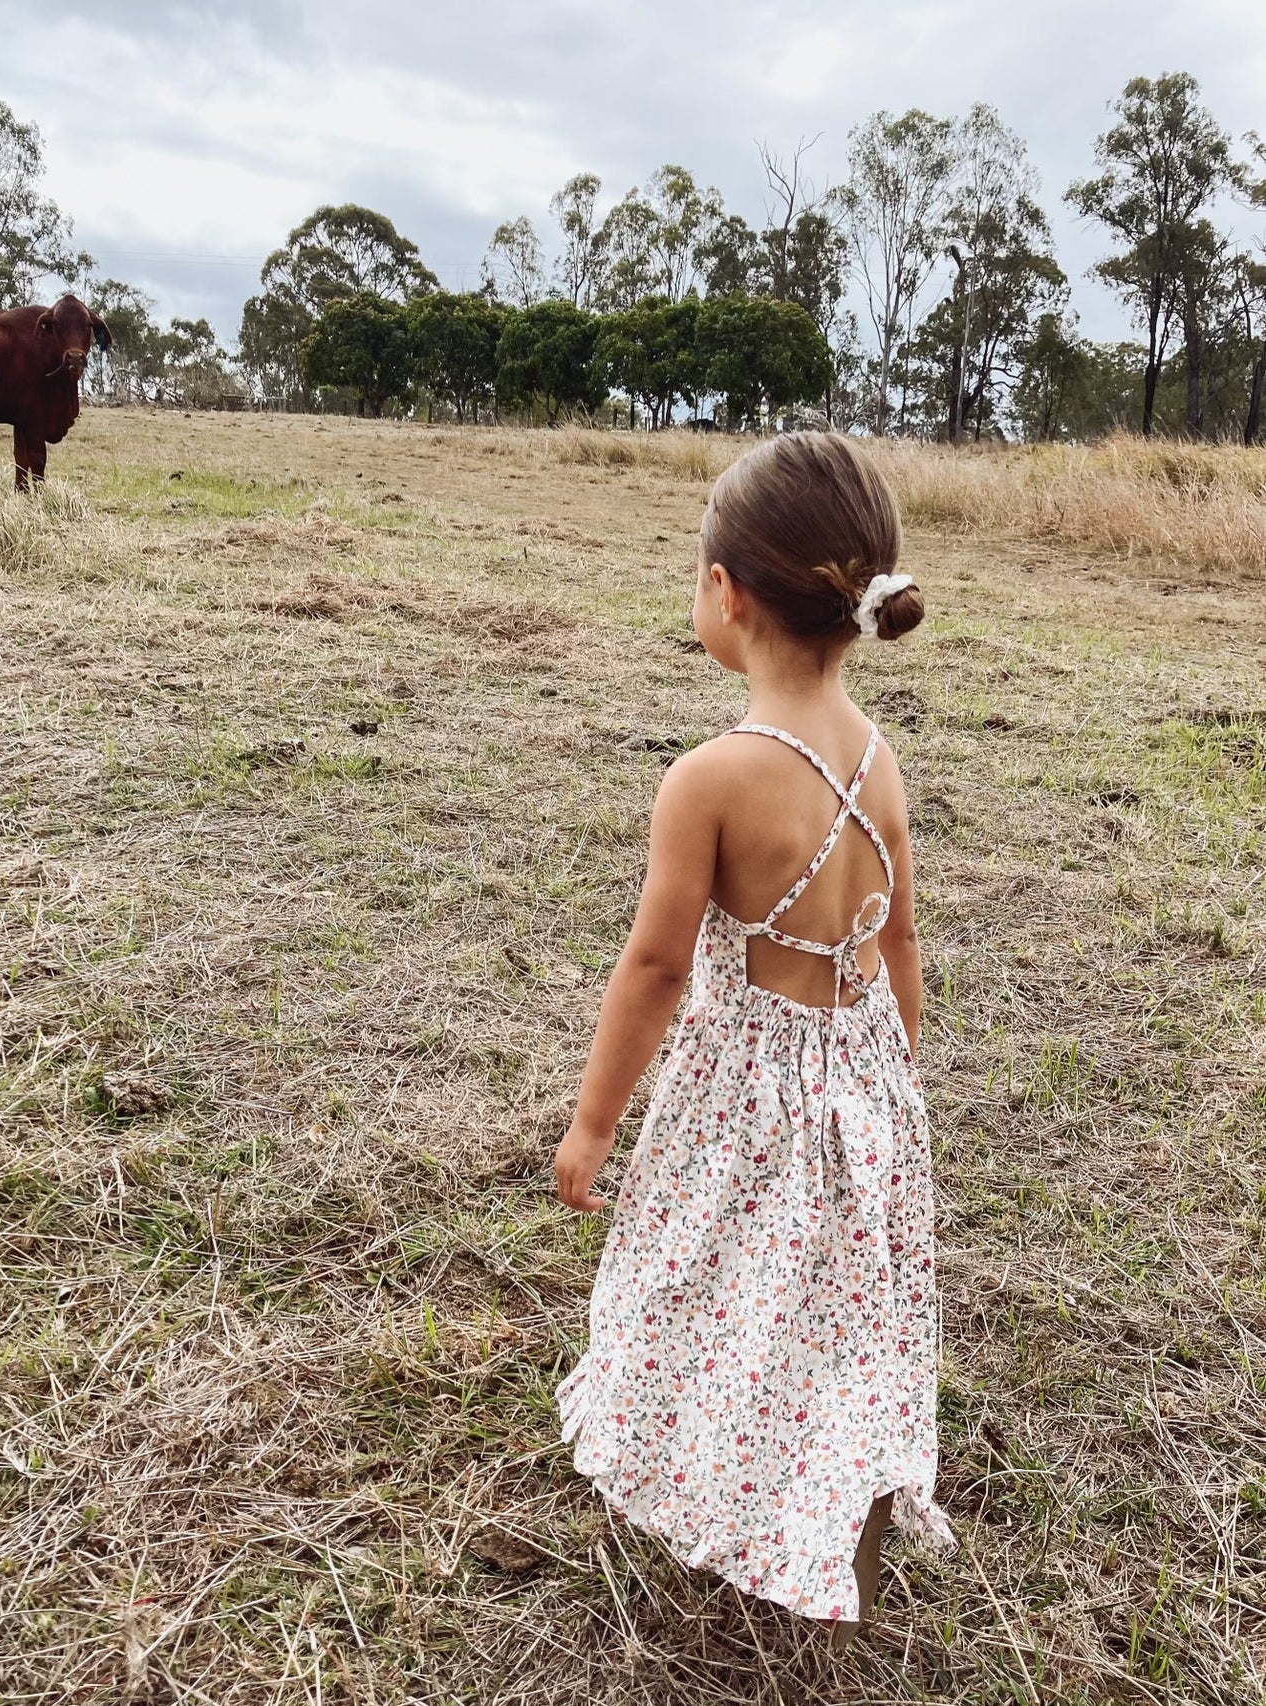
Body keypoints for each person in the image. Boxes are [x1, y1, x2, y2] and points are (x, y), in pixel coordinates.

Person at [554, 432, 954, 1637]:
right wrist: (890, 1076)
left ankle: (729, 1488)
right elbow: (898, 947)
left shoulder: (710, 777)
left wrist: (591, 1119)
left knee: (710, 1283)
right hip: (861, 1081)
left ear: (724, 594)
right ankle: (830, 1486)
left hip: (747, 1094)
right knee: (833, 1301)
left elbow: (658, 965)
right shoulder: (880, 761)